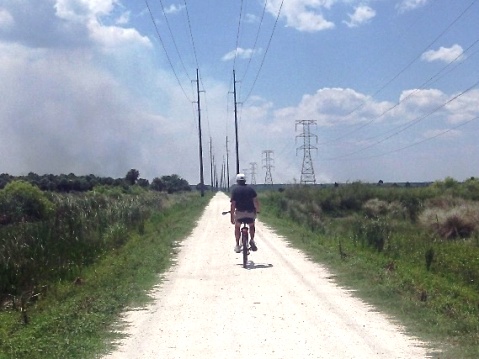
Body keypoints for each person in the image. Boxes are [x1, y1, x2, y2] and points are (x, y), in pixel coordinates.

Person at [230, 173, 260, 253]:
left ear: (237, 181)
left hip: (239, 213)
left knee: (237, 227)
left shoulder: (235, 190)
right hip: (250, 213)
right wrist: (257, 211)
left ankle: (237, 244)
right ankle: (252, 240)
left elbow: (233, 205)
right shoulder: (251, 189)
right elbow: (256, 202)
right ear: (245, 180)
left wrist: (232, 217)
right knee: (251, 225)